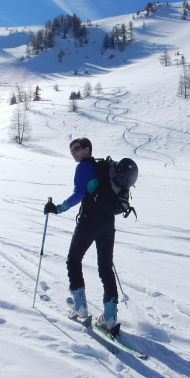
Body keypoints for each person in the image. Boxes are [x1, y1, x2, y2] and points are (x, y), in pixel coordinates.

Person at [44, 138, 119, 330]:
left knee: (73, 259)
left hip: (90, 219)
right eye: (71, 151)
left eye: (77, 149)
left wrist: (58, 208)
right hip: (108, 221)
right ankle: (110, 316)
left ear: (87, 149)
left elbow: (78, 194)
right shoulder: (103, 168)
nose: (74, 153)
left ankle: (80, 308)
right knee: (105, 266)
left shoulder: (83, 167)